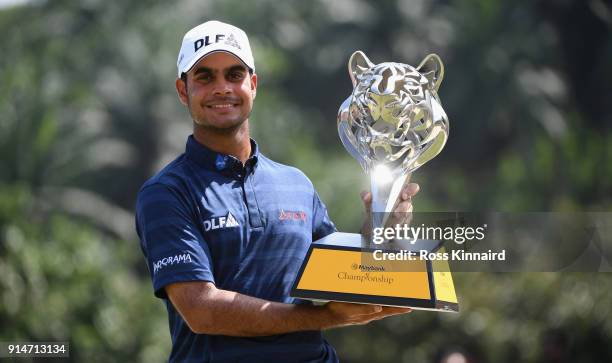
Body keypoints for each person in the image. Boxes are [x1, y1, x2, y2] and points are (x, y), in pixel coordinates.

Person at [135, 20, 419, 363]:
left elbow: (346, 280)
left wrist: (384, 226)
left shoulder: (295, 183)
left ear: (253, 84)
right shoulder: (167, 192)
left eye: (235, 74)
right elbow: (202, 311)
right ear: (183, 91)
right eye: (205, 77)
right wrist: (325, 318)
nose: (222, 88)